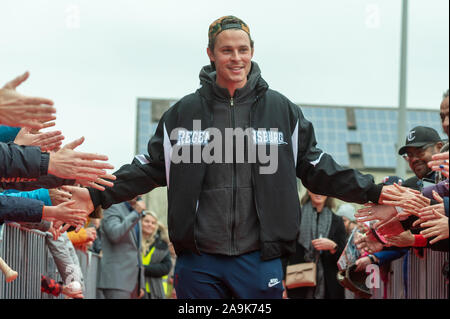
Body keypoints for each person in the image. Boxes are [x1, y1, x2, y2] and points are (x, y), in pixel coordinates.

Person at [63, 15, 397, 299]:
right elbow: (150, 167)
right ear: (211, 54)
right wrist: (95, 193)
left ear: (252, 52)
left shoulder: (281, 111)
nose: (236, 58)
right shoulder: (183, 113)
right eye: (226, 50)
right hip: (199, 262)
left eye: (243, 50)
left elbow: (315, 165)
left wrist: (373, 190)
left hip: (260, 259)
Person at [283, 190, 346, 299]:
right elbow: (284, 252)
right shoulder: (295, 218)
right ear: (308, 190)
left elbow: (345, 259)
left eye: (323, 188)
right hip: (298, 281)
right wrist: (282, 280)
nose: (319, 192)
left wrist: (333, 247)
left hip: (329, 286)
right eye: (315, 187)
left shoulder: (337, 221)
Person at [96, 196, 145, 299]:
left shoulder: (135, 212)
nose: (139, 194)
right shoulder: (113, 207)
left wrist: (141, 283)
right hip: (116, 281)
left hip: (133, 284)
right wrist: (135, 213)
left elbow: (137, 250)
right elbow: (115, 234)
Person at [141, 211, 172, 299]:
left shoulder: (161, 245)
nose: (150, 225)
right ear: (140, 222)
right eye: (146, 221)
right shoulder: (133, 241)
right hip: (134, 288)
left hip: (154, 292)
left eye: (153, 223)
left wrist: (142, 268)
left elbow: (166, 267)